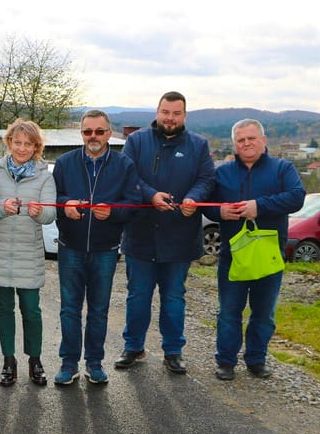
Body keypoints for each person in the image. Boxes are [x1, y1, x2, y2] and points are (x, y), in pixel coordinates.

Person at [116, 91, 215, 375]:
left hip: (180, 236)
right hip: (141, 235)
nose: (170, 118)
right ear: (157, 112)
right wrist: (150, 195)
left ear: (184, 115)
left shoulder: (198, 145)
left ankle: (173, 351)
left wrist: (194, 198)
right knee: (138, 297)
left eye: (176, 113)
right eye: (165, 112)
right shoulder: (136, 142)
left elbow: (206, 179)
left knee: (173, 298)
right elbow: (128, 176)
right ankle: (133, 347)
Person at [205, 119, 305, 380]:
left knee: (263, 314)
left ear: (264, 140)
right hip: (232, 256)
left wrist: (259, 206)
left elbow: (297, 197)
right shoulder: (222, 173)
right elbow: (206, 204)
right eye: (241, 140)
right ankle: (225, 361)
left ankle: (256, 360)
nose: (246, 143)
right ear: (234, 144)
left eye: (251, 138)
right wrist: (219, 211)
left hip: (268, 256)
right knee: (229, 313)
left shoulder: (282, 168)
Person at [52, 109, 141, 386]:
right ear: (81, 133)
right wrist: (65, 205)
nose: (93, 136)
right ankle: (69, 363)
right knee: (69, 309)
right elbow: (53, 198)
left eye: (99, 131)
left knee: (99, 310)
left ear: (109, 133)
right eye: (88, 131)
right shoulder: (64, 163)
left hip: (105, 248)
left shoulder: (124, 165)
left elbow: (133, 204)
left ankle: (94, 362)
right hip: (70, 246)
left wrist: (113, 212)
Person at [0, 119, 56, 387]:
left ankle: (35, 360)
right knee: (4, 309)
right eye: (17, 142)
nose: (22, 148)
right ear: (9, 142)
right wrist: (1, 208)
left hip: (28, 254)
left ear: (36, 147)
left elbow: (50, 215)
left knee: (31, 310)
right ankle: (8, 361)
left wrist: (39, 213)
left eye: (28, 144)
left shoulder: (45, 175)